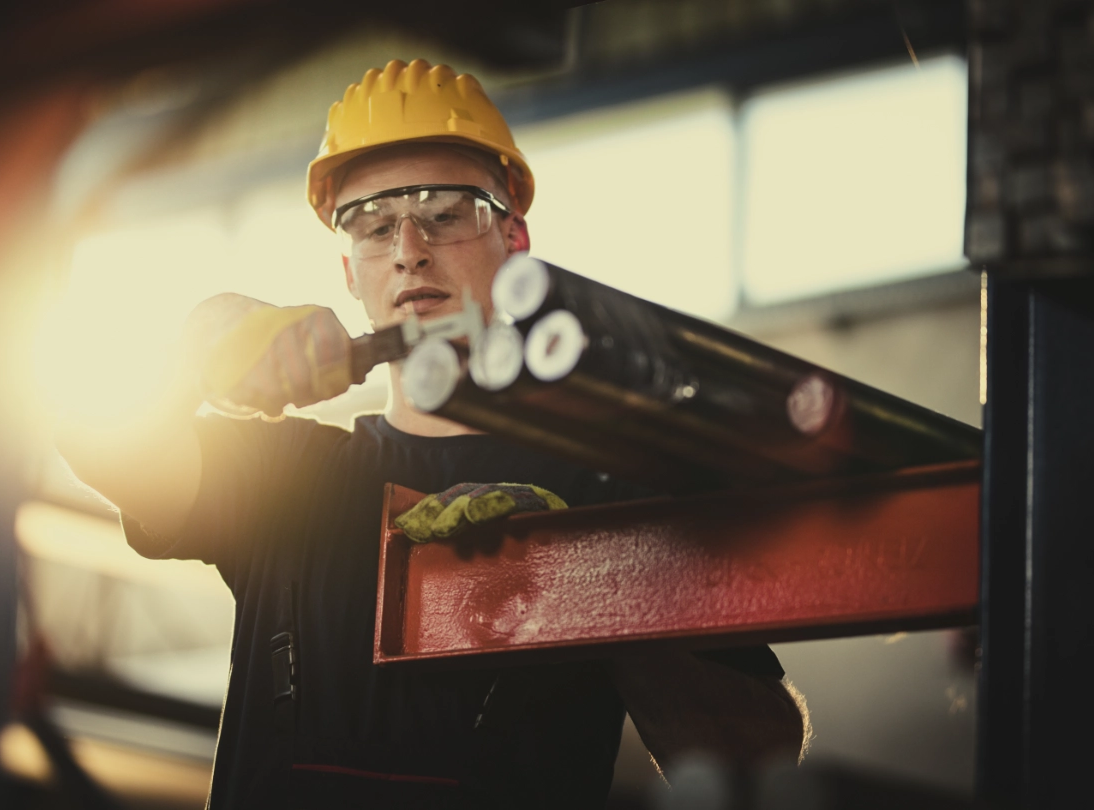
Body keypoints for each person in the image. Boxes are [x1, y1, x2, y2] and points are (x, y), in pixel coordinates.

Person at [56, 59, 805, 809]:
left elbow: (758, 748)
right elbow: (91, 431)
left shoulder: (602, 489)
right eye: (374, 226)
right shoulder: (282, 477)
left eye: (446, 214)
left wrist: (588, 584)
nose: (409, 247)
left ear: (514, 239)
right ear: (349, 271)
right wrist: (211, 336)